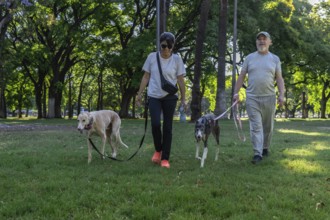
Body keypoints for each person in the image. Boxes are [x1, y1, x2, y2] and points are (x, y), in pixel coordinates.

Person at [233, 31, 285, 164]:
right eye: (259, 39)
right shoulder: (249, 58)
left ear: (270, 42)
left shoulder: (275, 59)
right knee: (256, 126)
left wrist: (281, 95)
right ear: (256, 42)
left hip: (269, 97)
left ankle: (265, 147)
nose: (261, 41)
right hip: (252, 98)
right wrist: (236, 92)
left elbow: (279, 78)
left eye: (264, 39)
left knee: (268, 127)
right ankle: (257, 153)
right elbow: (242, 76)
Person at [136, 32, 186, 169]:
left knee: (168, 127)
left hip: (170, 98)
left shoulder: (177, 60)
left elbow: (181, 80)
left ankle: (165, 158)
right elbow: (146, 76)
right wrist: (139, 94)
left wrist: (184, 99)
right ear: (160, 45)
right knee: (156, 124)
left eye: (169, 47)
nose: (166, 50)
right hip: (154, 96)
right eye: (164, 46)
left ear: (173, 46)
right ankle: (158, 150)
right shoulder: (152, 57)